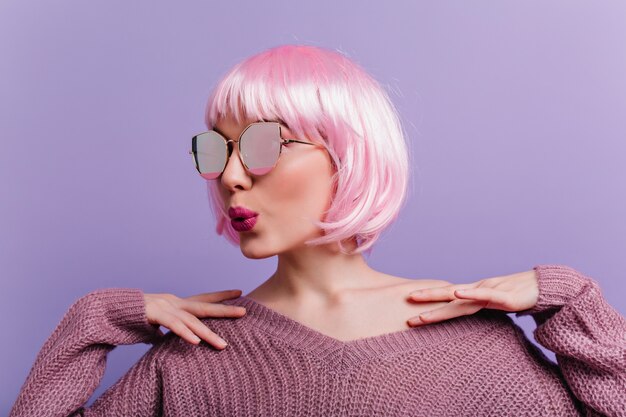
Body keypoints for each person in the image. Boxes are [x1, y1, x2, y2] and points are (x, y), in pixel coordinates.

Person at [10, 44, 626, 416]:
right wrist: (98, 318)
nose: (229, 177)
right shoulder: (193, 361)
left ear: (347, 153)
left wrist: (568, 298)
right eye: (214, 150)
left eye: (257, 145)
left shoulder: (473, 347)